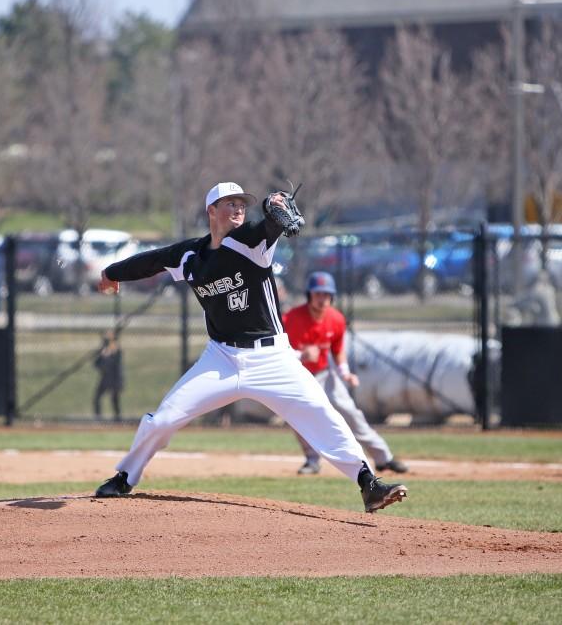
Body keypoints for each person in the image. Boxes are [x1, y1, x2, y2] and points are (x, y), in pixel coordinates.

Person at [92, 182, 408, 513]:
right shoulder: (190, 256)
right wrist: (111, 272)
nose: (239, 208)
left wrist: (274, 207)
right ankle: (125, 476)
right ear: (211, 211)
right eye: (229, 203)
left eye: (242, 203)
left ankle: (368, 484)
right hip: (221, 358)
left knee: (322, 413)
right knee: (163, 420)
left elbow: (268, 227)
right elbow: (152, 261)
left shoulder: (250, 242)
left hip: (272, 357)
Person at [283, 271, 408, 476]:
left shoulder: (336, 319)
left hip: (325, 374)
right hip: (298, 377)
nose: (322, 299)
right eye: (318, 294)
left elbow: (337, 349)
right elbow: (277, 349)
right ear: (309, 295)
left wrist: (345, 373)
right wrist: (300, 355)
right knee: (300, 417)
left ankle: (383, 457)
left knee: (351, 413)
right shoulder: (291, 318)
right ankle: (312, 460)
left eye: (326, 294)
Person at [92, 330, 124, 420]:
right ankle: (98, 418)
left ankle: (117, 418)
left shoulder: (117, 350)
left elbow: (115, 365)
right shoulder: (103, 350)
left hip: (115, 378)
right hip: (105, 378)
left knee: (115, 400)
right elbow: (96, 364)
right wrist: (103, 355)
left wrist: (109, 355)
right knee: (97, 398)